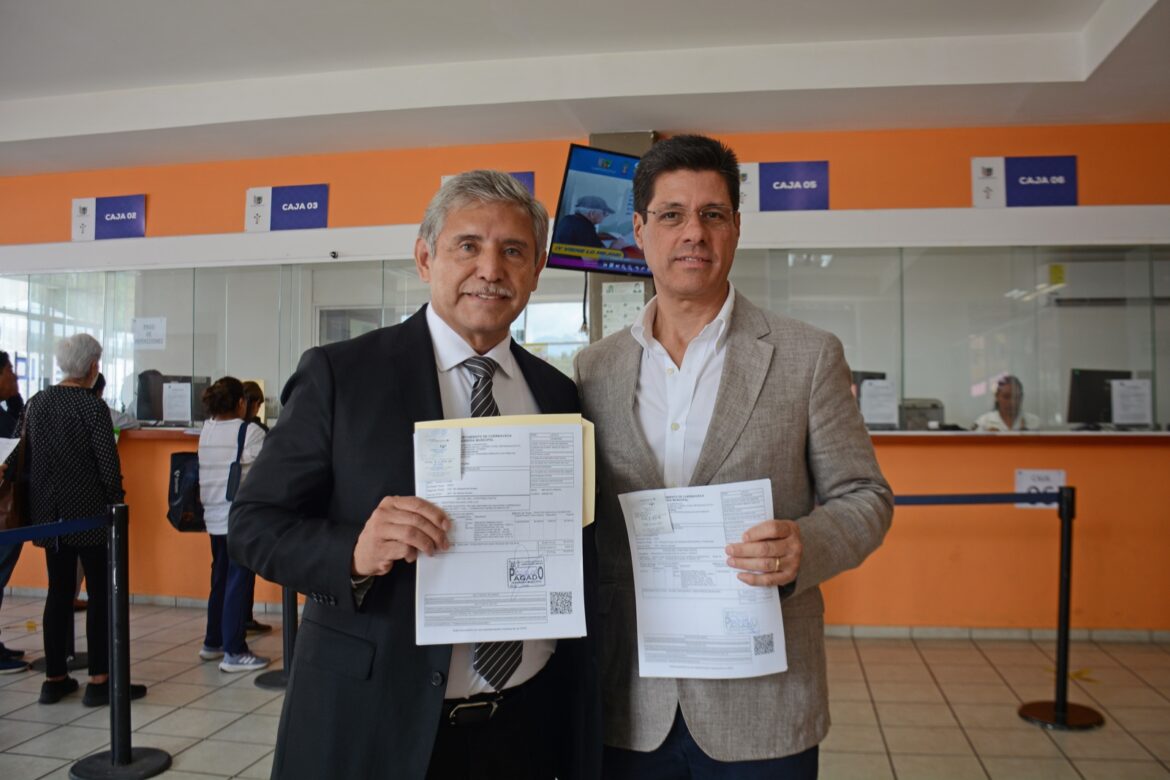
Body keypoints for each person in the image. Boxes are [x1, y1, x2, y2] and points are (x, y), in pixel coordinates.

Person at [229, 170, 601, 780]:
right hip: (377, 719)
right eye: (468, 245)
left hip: (527, 724)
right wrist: (354, 552)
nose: (491, 268)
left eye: (513, 251)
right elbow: (252, 525)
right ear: (426, 258)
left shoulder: (559, 395)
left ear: (535, 271)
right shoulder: (342, 374)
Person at [575, 135, 894, 778]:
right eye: (671, 214)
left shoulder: (808, 355)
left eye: (712, 214)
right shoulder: (593, 368)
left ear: (736, 228)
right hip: (629, 696)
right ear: (639, 230)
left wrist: (805, 545)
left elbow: (866, 497)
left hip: (763, 700)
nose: (693, 232)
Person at [7, 334, 147, 705]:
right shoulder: (91, 406)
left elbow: (21, 451)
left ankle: (55, 678)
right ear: (93, 366)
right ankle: (100, 680)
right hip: (88, 513)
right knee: (100, 594)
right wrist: (116, 504)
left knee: (59, 591)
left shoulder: (37, 402)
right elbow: (107, 463)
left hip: (48, 513)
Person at [197, 376, 270, 672]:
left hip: (212, 515)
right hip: (239, 517)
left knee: (220, 578)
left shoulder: (207, 429)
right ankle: (235, 651)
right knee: (239, 581)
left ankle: (212, 642)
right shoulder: (249, 431)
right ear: (241, 402)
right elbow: (270, 467)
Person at [0, 350, 29, 674]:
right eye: (9, 370)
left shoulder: (6, 408)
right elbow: (17, 435)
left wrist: (15, 397)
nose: (14, 376)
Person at [238, 380, 271, 635]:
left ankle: (228, 628)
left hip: (219, 510)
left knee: (224, 574)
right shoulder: (256, 431)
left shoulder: (217, 427)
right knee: (241, 573)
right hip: (248, 506)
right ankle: (240, 622)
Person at [974, 375, 1039, 431]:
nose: (1012, 402)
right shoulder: (983, 423)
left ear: (1021, 397)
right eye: (1006, 397)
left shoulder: (1034, 422)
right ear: (997, 397)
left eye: (1015, 397)